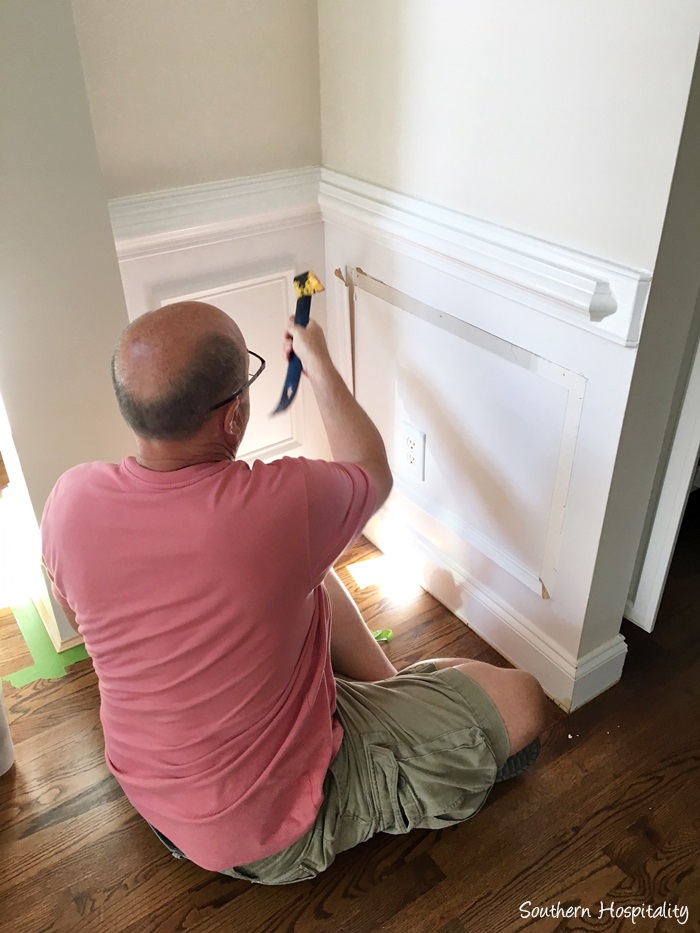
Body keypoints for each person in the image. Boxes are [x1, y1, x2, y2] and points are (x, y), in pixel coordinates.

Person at [41, 300, 546, 885]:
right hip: (267, 834)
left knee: (310, 571)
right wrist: (318, 360)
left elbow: (82, 622)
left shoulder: (70, 499)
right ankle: (389, 733)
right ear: (232, 418)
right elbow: (370, 470)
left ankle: (388, 688)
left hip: (153, 796)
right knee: (523, 703)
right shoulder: (275, 509)